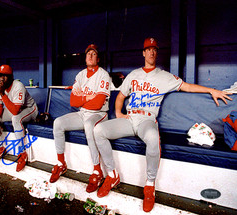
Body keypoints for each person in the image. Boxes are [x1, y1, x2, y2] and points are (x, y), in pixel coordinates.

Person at [93, 37, 232, 212]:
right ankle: (112, 175)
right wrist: (120, 113)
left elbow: (187, 86)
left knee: (152, 137)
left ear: (156, 53)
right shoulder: (133, 75)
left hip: (147, 120)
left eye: (154, 49)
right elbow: (120, 96)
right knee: (98, 130)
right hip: (130, 119)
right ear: (143, 53)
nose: (151, 52)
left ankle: (150, 185)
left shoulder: (164, 76)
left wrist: (211, 90)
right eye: (148, 49)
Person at [50, 44, 111, 194]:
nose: (90, 56)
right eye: (88, 54)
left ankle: (97, 171)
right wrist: (89, 97)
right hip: (82, 113)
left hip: (99, 114)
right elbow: (73, 102)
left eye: (93, 54)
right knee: (58, 123)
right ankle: (61, 162)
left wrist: (82, 98)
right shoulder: (80, 75)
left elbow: (97, 104)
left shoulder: (103, 75)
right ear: (85, 58)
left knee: (89, 125)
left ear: (98, 58)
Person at [0, 65, 38, 172]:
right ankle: (0, 148)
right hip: (15, 109)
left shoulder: (18, 86)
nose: (2, 78)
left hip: (30, 109)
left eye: (5, 76)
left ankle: (22, 153)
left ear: (11, 76)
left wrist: (2, 94)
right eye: (0, 75)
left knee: (16, 118)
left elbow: (15, 111)